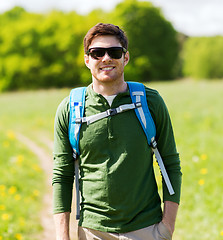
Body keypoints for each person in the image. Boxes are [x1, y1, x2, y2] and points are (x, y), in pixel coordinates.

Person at [52, 23, 182, 240]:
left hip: (146, 228)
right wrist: (62, 236)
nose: (106, 58)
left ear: (126, 57)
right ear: (87, 60)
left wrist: (167, 227)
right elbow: (62, 175)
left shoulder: (150, 102)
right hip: (92, 230)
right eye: (96, 53)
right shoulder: (70, 109)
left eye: (114, 52)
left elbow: (170, 164)